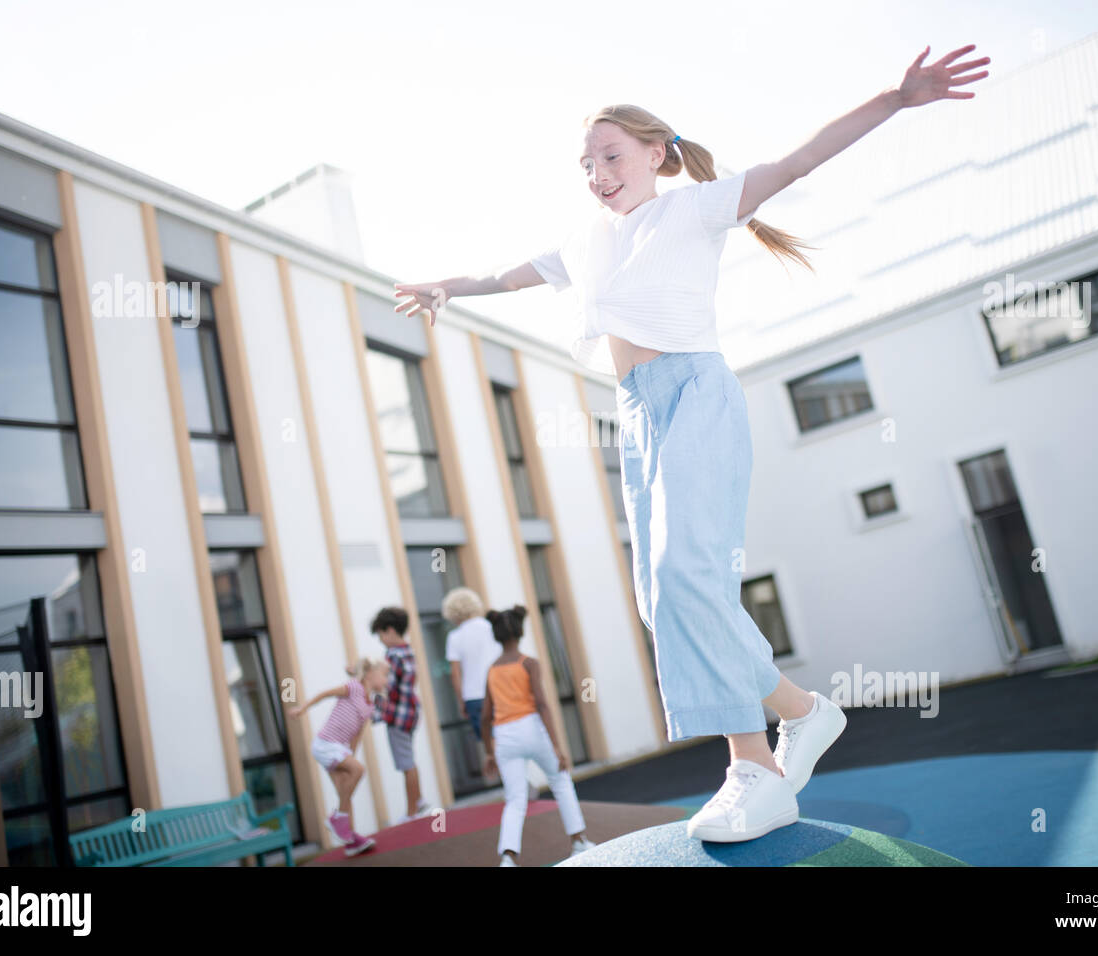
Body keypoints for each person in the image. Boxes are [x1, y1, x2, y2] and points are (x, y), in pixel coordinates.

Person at [393, 46, 989, 842]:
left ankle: (766, 752)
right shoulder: (587, 240)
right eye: (586, 163)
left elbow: (801, 157)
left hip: (697, 395)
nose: (599, 173)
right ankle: (789, 725)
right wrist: (444, 287)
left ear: (655, 151)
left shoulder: (695, 208)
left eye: (611, 156)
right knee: (660, 598)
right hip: (636, 412)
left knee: (687, 575)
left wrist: (895, 97)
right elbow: (509, 276)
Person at [480, 605, 594, 866]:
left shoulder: (492, 670)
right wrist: (556, 746)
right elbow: (542, 704)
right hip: (531, 728)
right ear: (520, 632)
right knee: (560, 780)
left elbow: (485, 715)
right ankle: (578, 841)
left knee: (515, 798)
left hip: (505, 736)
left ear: (497, 635)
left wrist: (489, 752)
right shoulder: (529, 663)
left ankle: (508, 858)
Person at [287, 657, 389, 856]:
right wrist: (302, 708)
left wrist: (350, 755)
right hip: (325, 744)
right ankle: (337, 818)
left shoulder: (370, 705)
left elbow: (357, 733)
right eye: (385, 675)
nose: (387, 680)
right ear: (370, 674)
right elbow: (326, 694)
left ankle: (350, 841)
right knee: (359, 771)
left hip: (338, 748)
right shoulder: (354, 687)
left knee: (345, 791)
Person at [371, 606, 430, 823]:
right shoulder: (408, 651)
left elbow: (388, 686)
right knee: (408, 760)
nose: (381, 640)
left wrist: (369, 678)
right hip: (410, 711)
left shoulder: (392, 656)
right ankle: (419, 800)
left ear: (390, 630)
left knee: (406, 763)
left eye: (380, 635)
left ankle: (412, 812)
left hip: (399, 714)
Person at [443, 586, 506, 786]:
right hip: (497, 690)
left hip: (473, 696)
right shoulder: (490, 627)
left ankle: (509, 780)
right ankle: (515, 778)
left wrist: (460, 700)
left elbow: (455, 674)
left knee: (490, 741)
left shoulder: (454, 637)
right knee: (506, 734)